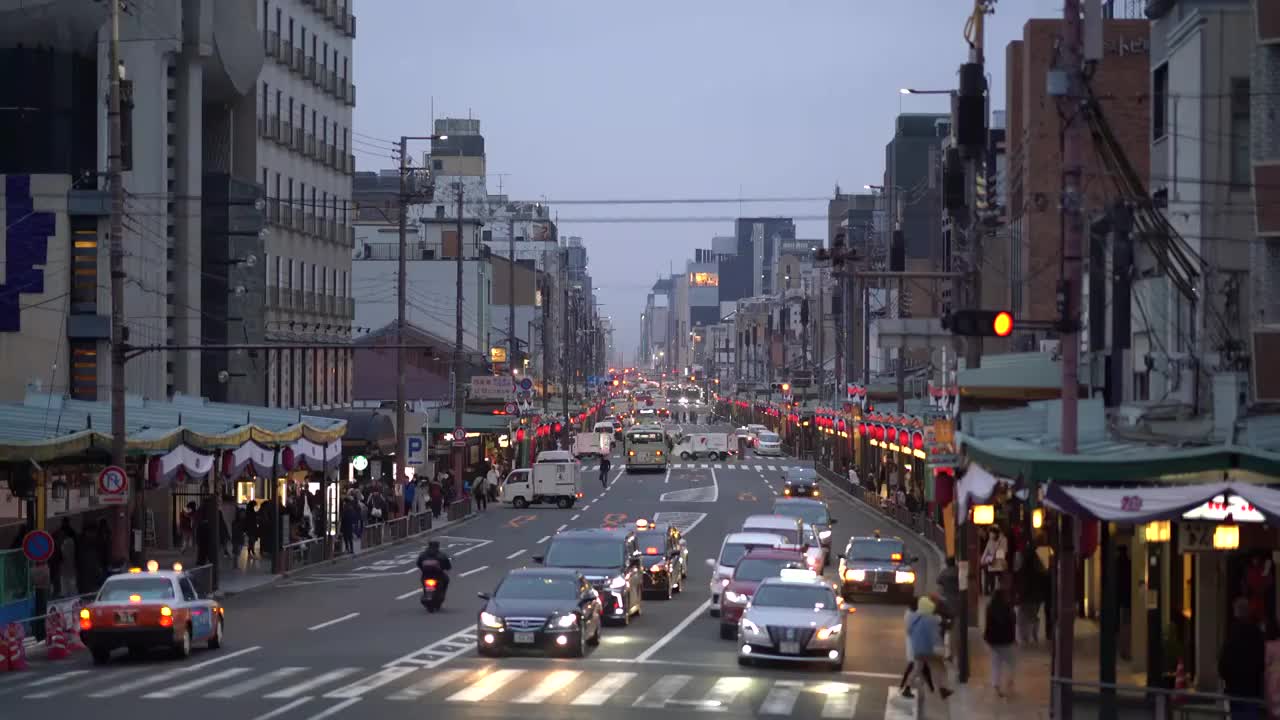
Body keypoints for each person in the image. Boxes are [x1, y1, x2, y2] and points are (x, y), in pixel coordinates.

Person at [1220, 596, 1265, 719]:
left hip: (1235, 688)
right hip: (1252, 689)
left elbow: (1223, 663)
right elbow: (1261, 662)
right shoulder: (1256, 633)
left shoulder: (1232, 634)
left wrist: (1227, 678)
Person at [908, 595, 953, 699]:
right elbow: (943, 624)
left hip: (917, 649)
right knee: (939, 668)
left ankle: (907, 688)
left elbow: (910, 631)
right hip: (929, 649)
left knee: (917, 669)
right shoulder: (932, 619)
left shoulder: (913, 618)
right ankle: (943, 689)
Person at [985, 582, 1018, 698]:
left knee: (995, 663)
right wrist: (1014, 639)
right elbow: (1012, 625)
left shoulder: (989, 608)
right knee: (1011, 663)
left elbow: (988, 625)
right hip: (1006, 641)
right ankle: (1008, 683)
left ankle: (996, 684)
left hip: (993, 641)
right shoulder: (1008, 609)